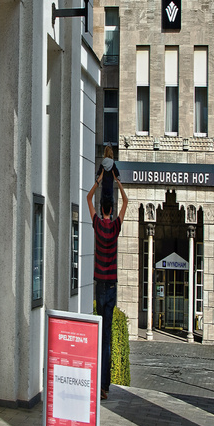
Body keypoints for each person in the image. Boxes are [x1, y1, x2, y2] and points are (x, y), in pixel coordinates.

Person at [88, 151, 128, 401]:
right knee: (108, 337)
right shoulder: (114, 228)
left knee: (98, 330)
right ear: (111, 210)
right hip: (111, 286)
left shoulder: (97, 226)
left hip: (99, 286)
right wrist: (117, 180)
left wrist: (100, 179)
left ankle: (97, 384)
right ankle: (104, 387)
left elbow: (88, 198)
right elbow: (126, 203)